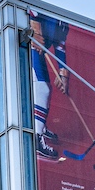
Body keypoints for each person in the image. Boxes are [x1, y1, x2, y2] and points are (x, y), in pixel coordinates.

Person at [24, 9, 70, 159]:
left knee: (45, 88)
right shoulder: (47, 9)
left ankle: (39, 126)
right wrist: (34, 28)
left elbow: (59, 45)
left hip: (38, 51)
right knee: (41, 88)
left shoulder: (63, 21)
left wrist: (63, 72)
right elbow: (31, 10)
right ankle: (36, 137)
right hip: (28, 48)